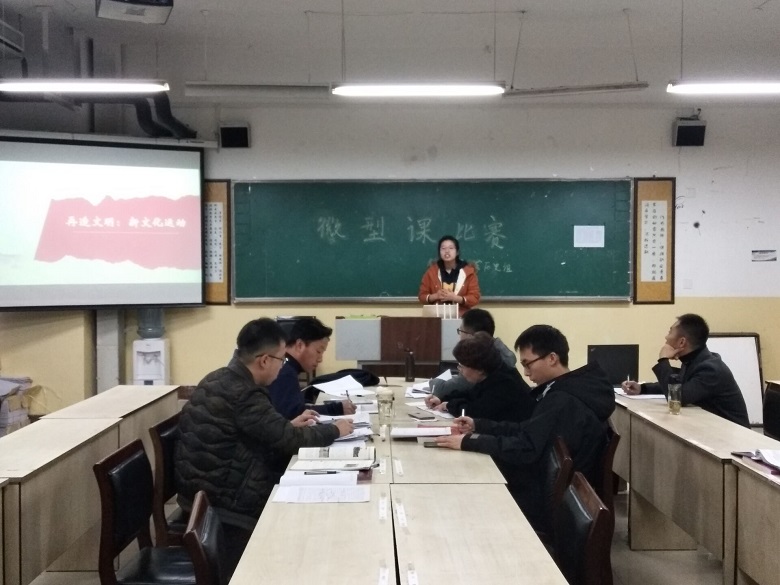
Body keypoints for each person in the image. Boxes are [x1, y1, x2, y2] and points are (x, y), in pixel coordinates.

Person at [176, 318, 354, 575]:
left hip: (200, 495)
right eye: (282, 359)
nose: (283, 366)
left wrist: (287, 426)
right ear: (264, 361)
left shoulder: (219, 378)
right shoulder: (245, 394)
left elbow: (260, 430)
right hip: (224, 507)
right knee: (311, 516)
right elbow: (292, 441)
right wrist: (336, 429)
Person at [435, 324, 615, 531]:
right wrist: (479, 425)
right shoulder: (565, 389)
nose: (526, 373)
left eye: (528, 364)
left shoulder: (563, 400)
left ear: (552, 358)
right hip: (546, 484)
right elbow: (528, 429)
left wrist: (470, 441)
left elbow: (526, 447)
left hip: (546, 499)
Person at [621, 313, 750, 427]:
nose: (666, 337)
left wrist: (663, 360)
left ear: (682, 342)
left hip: (732, 436)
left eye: (670, 332)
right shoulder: (694, 360)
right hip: (711, 427)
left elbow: (677, 398)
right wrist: (642, 388)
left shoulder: (710, 369)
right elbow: (678, 385)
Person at [425, 331, 534, 423]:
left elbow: (475, 411)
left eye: (462, 366)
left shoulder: (504, 384)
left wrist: (448, 405)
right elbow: (470, 395)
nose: (460, 370)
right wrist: (441, 399)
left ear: (480, 369)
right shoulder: (490, 375)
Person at [267, 317, 356, 419]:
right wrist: (336, 409)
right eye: (318, 351)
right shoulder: (285, 372)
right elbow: (293, 415)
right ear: (300, 345)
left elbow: (294, 407)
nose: (320, 359)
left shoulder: (287, 366)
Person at [426, 308, 517, 402]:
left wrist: (433, 381)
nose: (459, 337)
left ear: (471, 336)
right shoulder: (501, 353)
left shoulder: (480, 358)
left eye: (460, 331)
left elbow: (441, 390)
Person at [418, 235, 480, 317]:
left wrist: (455, 298)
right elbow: (422, 296)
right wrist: (436, 296)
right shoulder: (431, 272)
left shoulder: (468, 272)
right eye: (443, 248)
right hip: (437, 317)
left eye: (451, 248)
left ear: (457, 252)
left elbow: (475, 298)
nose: (447, 251)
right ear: (439, 252)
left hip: (462, 317)